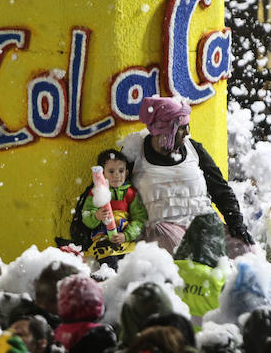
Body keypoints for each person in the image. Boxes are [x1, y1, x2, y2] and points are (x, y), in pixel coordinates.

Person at [119, 96, 253, 256]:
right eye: (181, 128)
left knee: (245, 251)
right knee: (190, 255)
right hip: (163, 230)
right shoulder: (135, 153)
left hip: (203, 223)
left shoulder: (193, 148)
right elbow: (113, 189)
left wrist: (236, 224)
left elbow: (220, 189)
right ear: (164, 129)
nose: (187, 133)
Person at [81, 149, 147, 269]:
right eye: (111, 171)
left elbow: (140, 219)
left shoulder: (131, 194)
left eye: (121, 171)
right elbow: (85, 216)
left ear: (126, 173)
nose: (117, 175)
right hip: (104, 242)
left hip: (126, 241)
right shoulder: (95, 194)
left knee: (133, 266)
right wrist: (96, 216)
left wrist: (126, 235)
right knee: (110, 266)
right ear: (102, 174)